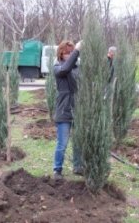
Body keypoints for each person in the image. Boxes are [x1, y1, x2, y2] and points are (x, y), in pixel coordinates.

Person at [53, 39, 82, 180]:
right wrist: (76, 50)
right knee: (62, 143)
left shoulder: (78, 67)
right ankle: (57, 170)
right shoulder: (57, 68)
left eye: (71, 53)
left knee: (78, 141)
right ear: (60, 54)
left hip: (78, 108)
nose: (69, 56)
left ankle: (78, 167)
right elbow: (66, 69)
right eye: (66, 54)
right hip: (64, 109)